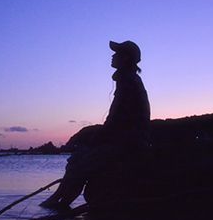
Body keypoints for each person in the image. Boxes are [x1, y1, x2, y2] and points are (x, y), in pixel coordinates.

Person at [40, 40, 151, 209]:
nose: (112, 56)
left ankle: (58, 201)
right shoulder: (129, 80)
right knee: (82, 156)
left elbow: (117, 118)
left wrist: (99, 137)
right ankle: (60, 200)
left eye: (117, 53)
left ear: (126, 58)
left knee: (81, 159)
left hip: (129, 142)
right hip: (130, 138)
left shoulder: (128, 81)